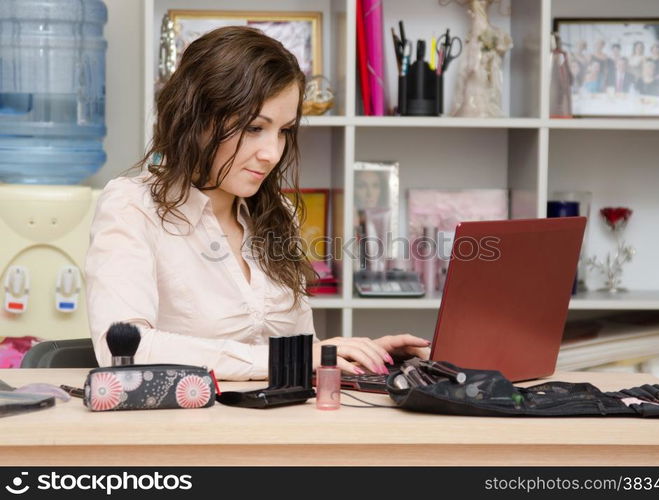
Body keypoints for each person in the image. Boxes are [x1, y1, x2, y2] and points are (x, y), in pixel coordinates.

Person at [85, 26, 430, 380]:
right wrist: (287, 359)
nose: (272, 153)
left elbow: (301, 353)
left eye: (284, 131)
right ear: (196, 118)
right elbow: (124, 350)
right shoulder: (132, 206)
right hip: (186, 427)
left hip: (278, 428)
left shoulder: (278, 216)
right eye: (254, 128)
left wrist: (354, 356)